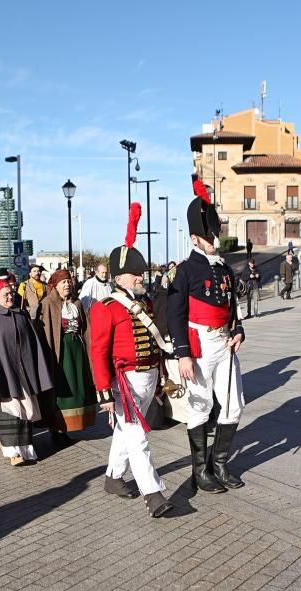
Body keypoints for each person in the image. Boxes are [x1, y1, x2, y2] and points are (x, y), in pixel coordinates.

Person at [90, 203, 173, 518]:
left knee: (126, 431)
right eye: (136, 273)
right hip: (123, 381)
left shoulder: (146, 301)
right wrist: (104, 392)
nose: (141, 276)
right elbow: (97, 351)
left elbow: (153, 340)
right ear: (120, 276)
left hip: (149, 376)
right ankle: (153, 494)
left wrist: (162, 375)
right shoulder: (105, 307)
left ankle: (113, 477)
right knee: (137, 436)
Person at [169, 177, 246, 494]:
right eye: (207, 234)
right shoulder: (185, 270)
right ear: (194, 238)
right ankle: (200, 471)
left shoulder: (225, 269)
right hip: (198, 346)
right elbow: (174, 314)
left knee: (233, 406)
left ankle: (220, 464)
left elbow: (232, 305)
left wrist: (239, 329)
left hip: (224, 343)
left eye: (215, 233)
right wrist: (183, 353)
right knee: (199, 407)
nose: (214, 238)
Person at [0, 277, 54, 466]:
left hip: (23, 373)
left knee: (24, 411)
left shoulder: (21, 315)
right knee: (8, 412)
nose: (10, 297)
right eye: (5, 294)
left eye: (11, 293)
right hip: (2, 376)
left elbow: (32, 344)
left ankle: (27, 449)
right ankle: (12, 452)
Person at [40, 268, 97, 445]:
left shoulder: (77, 303)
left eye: (69, 281)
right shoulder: (48, 303)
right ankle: (56, 430)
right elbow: (47, 331)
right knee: (61, 391)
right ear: (55, 285)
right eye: (64, 282)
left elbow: (86, 329)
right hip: (60, 353)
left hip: (77, 351)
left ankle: (68, 428)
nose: (67, 285)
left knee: (77, 389)